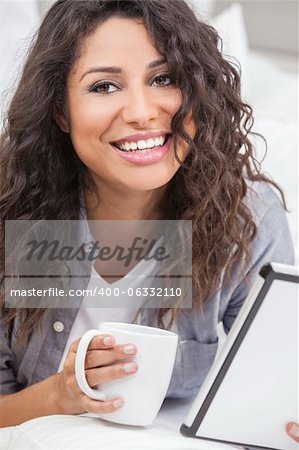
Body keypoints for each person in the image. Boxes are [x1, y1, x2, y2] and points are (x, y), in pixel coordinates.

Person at [0, 0, 297, 443]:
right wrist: (61, 394)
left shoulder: (248, 216)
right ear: (60, 112)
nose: (142, 112)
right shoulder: (11, 213)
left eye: (165, 78)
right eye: (104, 86)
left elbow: (279, 384)